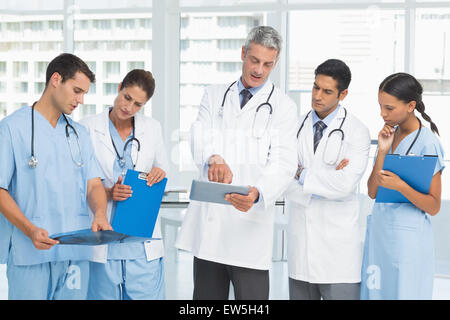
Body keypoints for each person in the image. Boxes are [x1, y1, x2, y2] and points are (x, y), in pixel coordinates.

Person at [175, 26, 298, 300]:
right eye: (254, 60)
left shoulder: (284, 107)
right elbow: (198, 132)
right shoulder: (215, 93)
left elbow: (284, 162)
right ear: (243, 53)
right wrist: (213, 156)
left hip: (249, 227)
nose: (259, 70)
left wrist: (258, 193)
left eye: (268, 64)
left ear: (275, 63)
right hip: (212, 228)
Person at [0, 53, 111, 300]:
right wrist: (29, 230)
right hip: (31, 252)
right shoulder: (12, 128)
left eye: (84, 93)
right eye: (76, 90)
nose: (81, 100)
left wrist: (101, 213)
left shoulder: (79, 134)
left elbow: (93, 184)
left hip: (74, 251)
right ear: (56, 79)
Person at [284, 59, 371, 300]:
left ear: (343, 94)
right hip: (301, 247)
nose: (317, 96)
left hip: (338, 253)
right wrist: (325, 181)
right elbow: (283, 178)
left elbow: (345, 185)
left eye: (327, 91)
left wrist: (301, 173)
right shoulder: (294, 126)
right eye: (315, 87)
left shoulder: (357, 131)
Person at [80, 69, 168, 300]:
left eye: (138, 104)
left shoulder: (152, 128)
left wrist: (159, 173)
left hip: (141, 241)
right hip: (104, 238)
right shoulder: (87, 128)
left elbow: (163, 171)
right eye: (127, 97)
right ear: (120, 87)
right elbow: (78, 182)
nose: (129, 107)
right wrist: (108, 193)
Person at [360, 72, 445, 300]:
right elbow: (372, 191)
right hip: (380, 236)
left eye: (389, 108)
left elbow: (434, 205)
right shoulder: (389, 136)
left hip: (408, 242)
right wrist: (383, 150)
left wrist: (400, 186)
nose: (382, 114)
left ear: (411, 105)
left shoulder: (428, 143)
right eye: (380, 106)